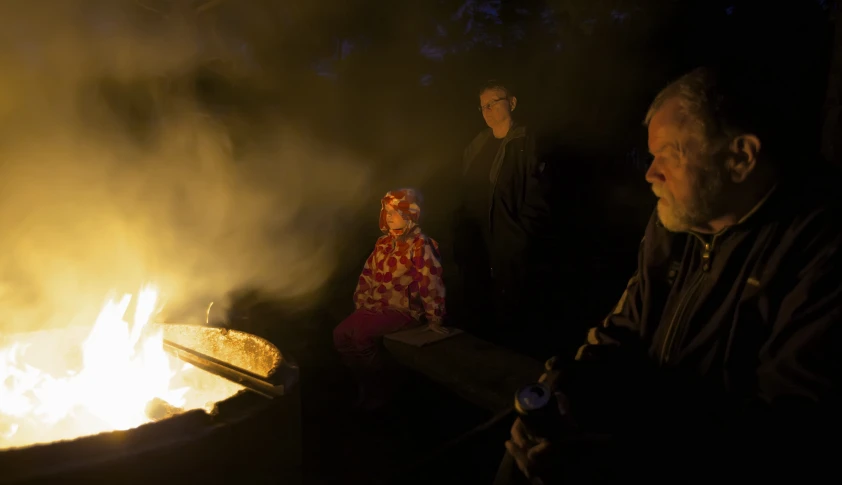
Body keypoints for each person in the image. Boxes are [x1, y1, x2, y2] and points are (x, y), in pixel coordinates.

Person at [497, 65, 842, 484]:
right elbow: (624, 328)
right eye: (651, 157)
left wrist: (616, 463)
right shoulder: (676, 223)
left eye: (668, 156)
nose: (650, 174)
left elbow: (789, 433)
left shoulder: (819, 250)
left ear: (740, 157)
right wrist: (561, 387)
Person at [452, 80, 555, 355]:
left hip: (508, 244)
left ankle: (512, 369)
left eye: (492, 103)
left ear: (512, 102)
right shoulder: (477, 144)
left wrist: (520, 236)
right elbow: (464, 190)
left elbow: (538, 196)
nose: (486, 110)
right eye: (482, 106)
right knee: (479, 307)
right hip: (477, 244)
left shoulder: (526, 143)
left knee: (511, 312)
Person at [333, 188, 447, 410]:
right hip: (376, 308)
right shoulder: (383, 244)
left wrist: (435, 317)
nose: (389, 216)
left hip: (403, 310)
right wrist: (362, 304)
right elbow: (367, 275)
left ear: (410, 214)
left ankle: (380, 387)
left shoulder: (421, 246)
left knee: (361, 336)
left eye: (395, 212)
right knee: (340, 334)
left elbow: (430, 282)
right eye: (386, 211)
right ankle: (363, 383)